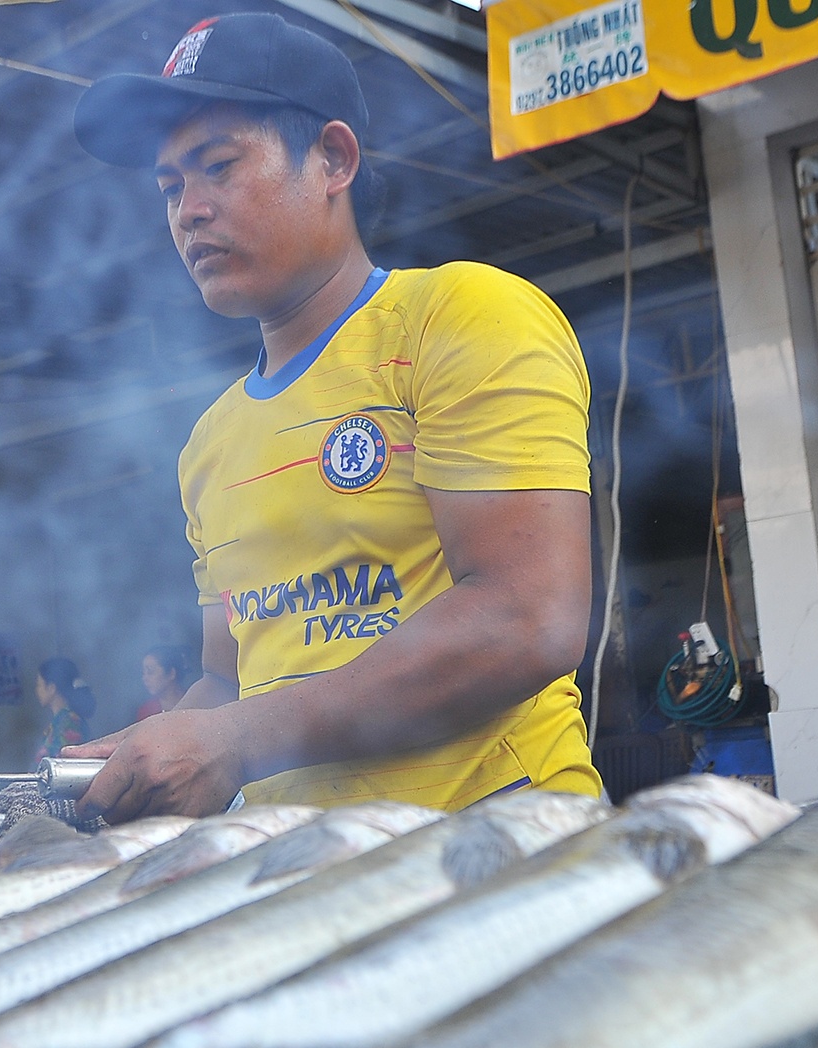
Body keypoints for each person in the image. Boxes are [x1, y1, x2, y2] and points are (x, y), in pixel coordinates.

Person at [65, 14, 600, 822]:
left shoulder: (459, 316)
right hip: (297, 871)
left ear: (334, 160)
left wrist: (240, 739)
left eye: (218, 166)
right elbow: (235, 681)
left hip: (496, 847)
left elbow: (528, 616)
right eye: (171, 186)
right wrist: (158, 747)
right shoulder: (209, 442)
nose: (189, 211)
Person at [33, 657, 96, 761]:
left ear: (51, 688)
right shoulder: (60, 720)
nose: (36, 690)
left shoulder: (68, 723)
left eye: (39, 685)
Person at [136, 644, 195, 721]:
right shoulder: (146, 712)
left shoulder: (195, 701)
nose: (144, 678)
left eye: (150, 672)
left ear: (171, 673)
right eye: (143, 673)